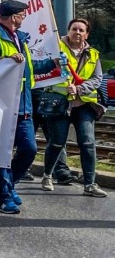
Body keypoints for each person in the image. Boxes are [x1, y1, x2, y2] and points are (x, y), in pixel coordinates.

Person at [0, 0, 58, 214]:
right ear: (14, 17)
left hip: (23, 105)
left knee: (29, 149)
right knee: (2, 154)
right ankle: (4, 196)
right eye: (23, 15)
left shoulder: (20, 39)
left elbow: (28, 68)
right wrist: (5, 59)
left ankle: (9, 184)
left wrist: (52, 63)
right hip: (3, 107)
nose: (24, 18)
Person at [40, 18, 107, 198]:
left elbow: (97, 78)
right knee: (57, 141)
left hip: (84, 103)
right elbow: (46, 72)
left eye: (81, 30)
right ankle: (47, 175)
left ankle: (90, 184)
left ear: (86, 34)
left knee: (88, 143)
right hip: (59, 102)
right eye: (74, 29)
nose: (77, 33)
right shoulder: (56, 48)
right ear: (68, 31)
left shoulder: (93, 53)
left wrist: (79, 88)